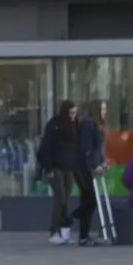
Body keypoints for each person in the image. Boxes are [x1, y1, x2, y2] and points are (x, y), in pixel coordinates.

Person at [36, 101, 80, 245]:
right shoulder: (54, 125)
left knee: (66, 201)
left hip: (69, 167)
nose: (73, 116)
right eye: (71, 113)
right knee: (59, 198)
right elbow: (45, 148)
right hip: (56, 168)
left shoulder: (75, 125)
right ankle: (54, 231)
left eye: (75, 113)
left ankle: (65, 232)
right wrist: (48, 168)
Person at [75, 99, 109, 246]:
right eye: (102, 109)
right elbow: (86, 149)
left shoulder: (97, 126)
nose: (104, 112)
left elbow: (97, 148)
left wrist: (101, 162)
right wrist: (93, 165)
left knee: (89, 200)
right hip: (85, 167)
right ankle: (70, 220)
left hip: (92, 165)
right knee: (90, 200)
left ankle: (83, 236)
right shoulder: (88, 125)